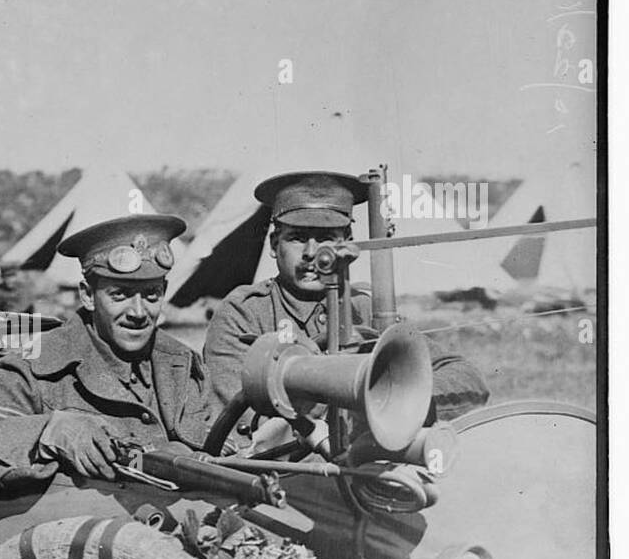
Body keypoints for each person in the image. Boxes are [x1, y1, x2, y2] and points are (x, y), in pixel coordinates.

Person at [0, 214, 212, 497]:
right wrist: (46, 431)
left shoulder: (181, 362)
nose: (138, 312)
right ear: (87, 295)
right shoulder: (40, 365)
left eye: (151, 295)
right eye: (119, 295)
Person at [202, 171, 489, 426]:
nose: (312, 253)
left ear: (347, 243)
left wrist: (394, 398)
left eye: (326, 237)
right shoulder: (244, 312)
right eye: (298, 237)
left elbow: (467, 381)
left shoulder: (365, 310)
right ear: (275, 245)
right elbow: (241, 420)